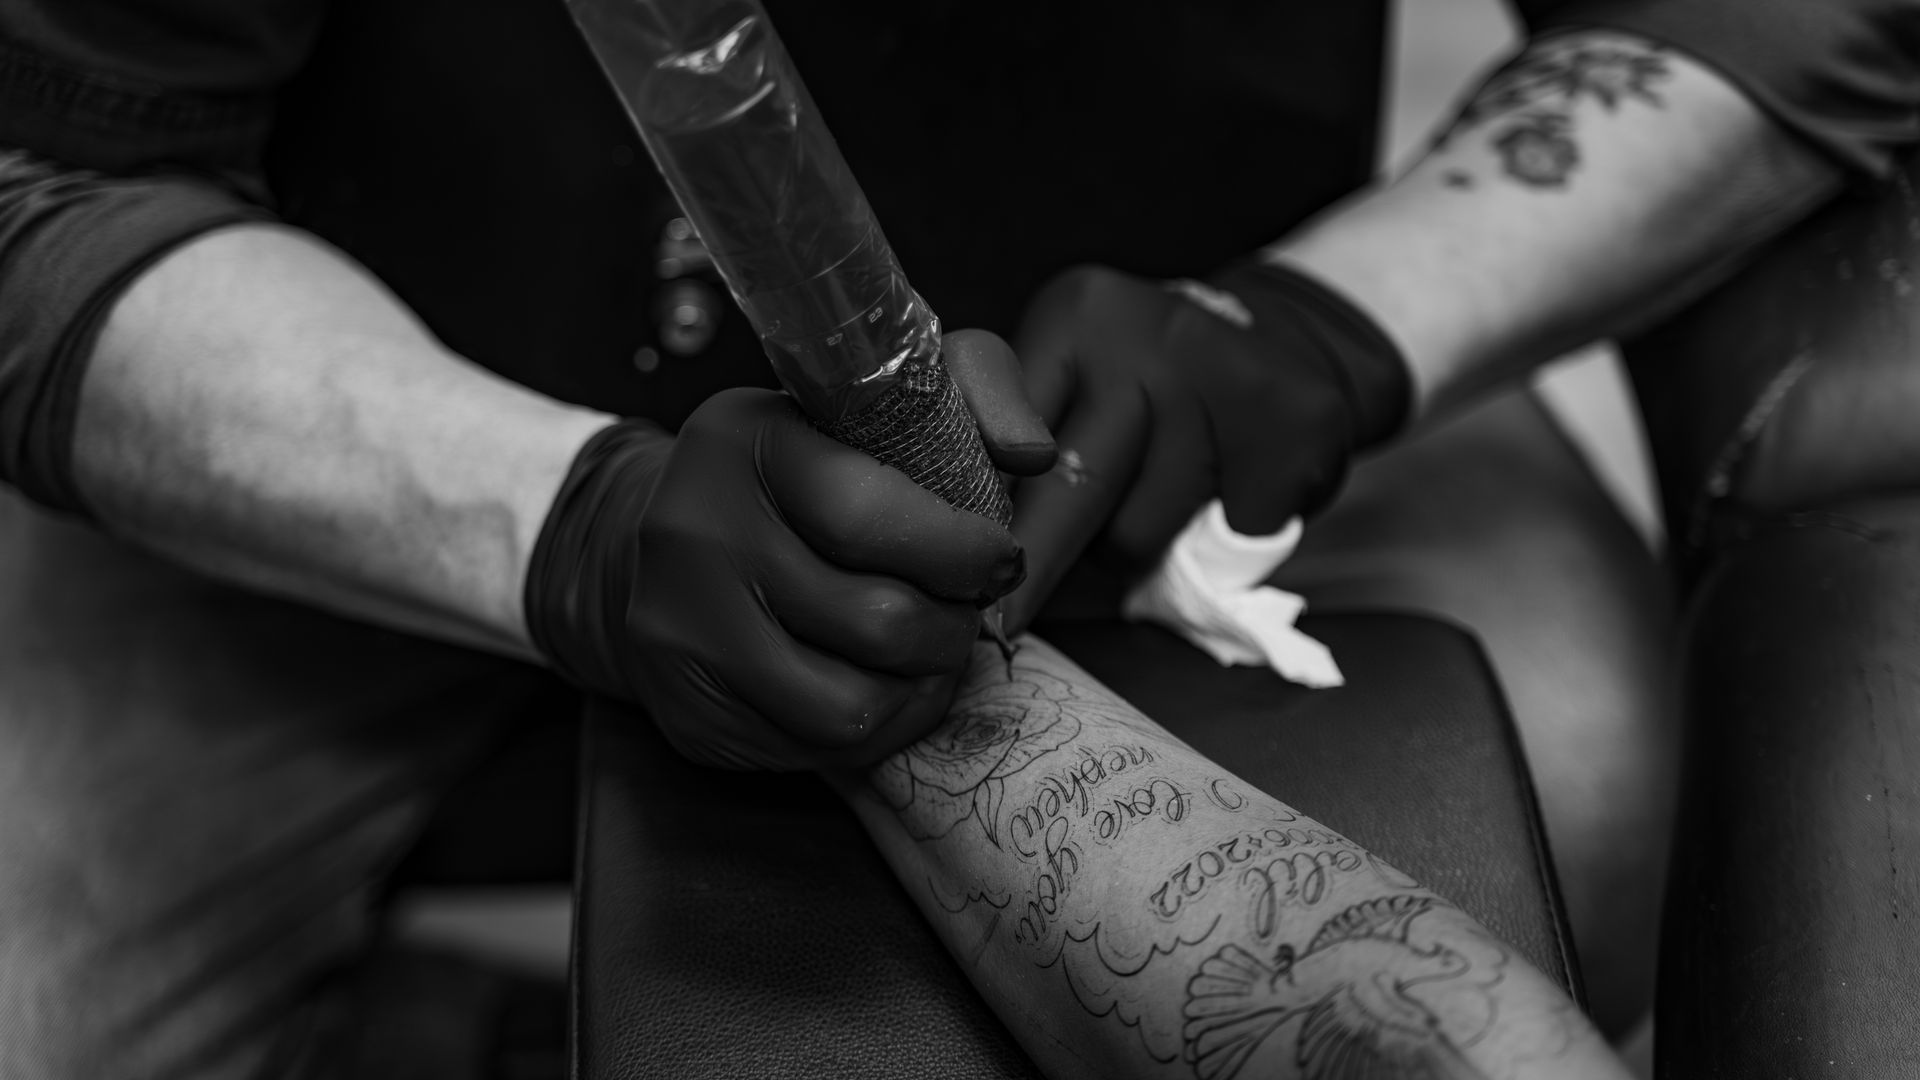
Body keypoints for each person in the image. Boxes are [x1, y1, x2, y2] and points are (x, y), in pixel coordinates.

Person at [0, 0, 1913, 1075]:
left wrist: (1316, 331)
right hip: (365, 394)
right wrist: (566, 518)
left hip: (1166, 391)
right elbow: (43, 182)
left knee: (1605, 772)